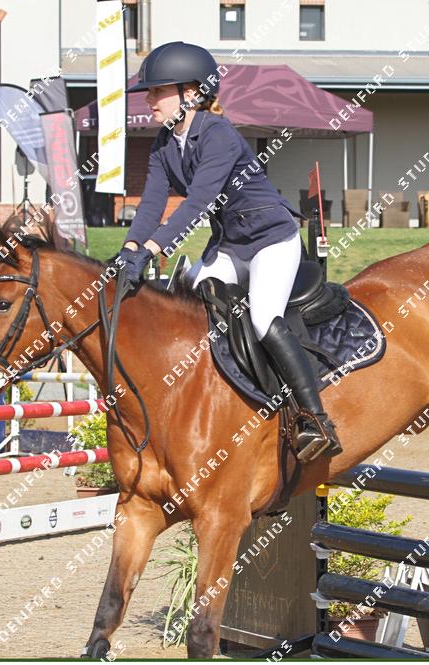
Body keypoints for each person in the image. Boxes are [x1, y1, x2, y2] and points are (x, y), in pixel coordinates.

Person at [116, 41, 341, 462]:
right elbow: (150, 204)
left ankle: (315, 418)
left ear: (191, 93)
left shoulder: (218, 134)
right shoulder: (164, 144)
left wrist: (152, 248)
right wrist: (128, 249)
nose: (149, 100)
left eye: (157, 91)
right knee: (186, 307)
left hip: (271, 240)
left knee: (262, 317)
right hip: (230, 245)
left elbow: (197, 203)